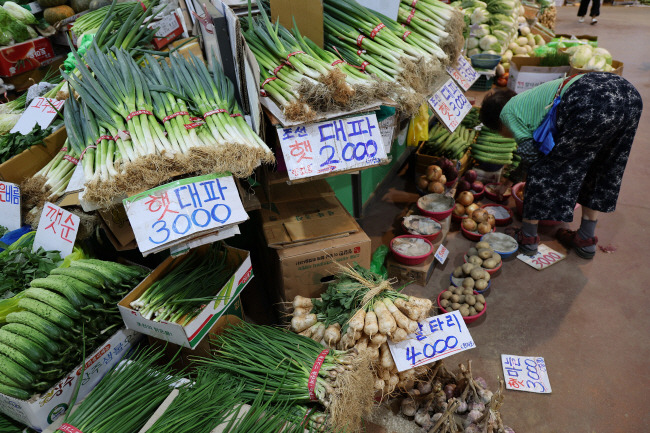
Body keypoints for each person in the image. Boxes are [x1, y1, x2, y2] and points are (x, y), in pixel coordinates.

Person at [479, 73, 642, 259]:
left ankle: (528, 238)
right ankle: (585, 240)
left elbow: (531, 158)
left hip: (591, 99)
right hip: (629, 96)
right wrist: (510, 180)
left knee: (541, 169)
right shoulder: (531, 101)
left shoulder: (508, 113)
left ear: (499, 124)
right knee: (601, 167)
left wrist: (525, 178)